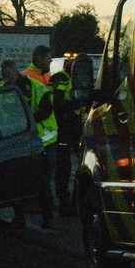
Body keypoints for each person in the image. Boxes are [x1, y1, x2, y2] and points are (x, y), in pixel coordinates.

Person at [0, 56, 56, 230]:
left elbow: (46, 111)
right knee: (16, 181)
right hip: (15, 140)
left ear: (17, 72)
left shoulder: (35, 87)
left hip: (41, 140)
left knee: (42, 181)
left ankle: (48, 218)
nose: (7, 79)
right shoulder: (0, 90)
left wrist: (28, 121)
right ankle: (19, 217)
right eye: (4, 76)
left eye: (9, 75)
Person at [49, 58, 85, 217]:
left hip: (77, 126)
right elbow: (57, 103)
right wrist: (76, 104)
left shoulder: (79, 79)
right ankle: (64, 203)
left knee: (81, 165)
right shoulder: (61, 78)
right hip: (63, 127)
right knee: (64, 167)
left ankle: (76, 202)